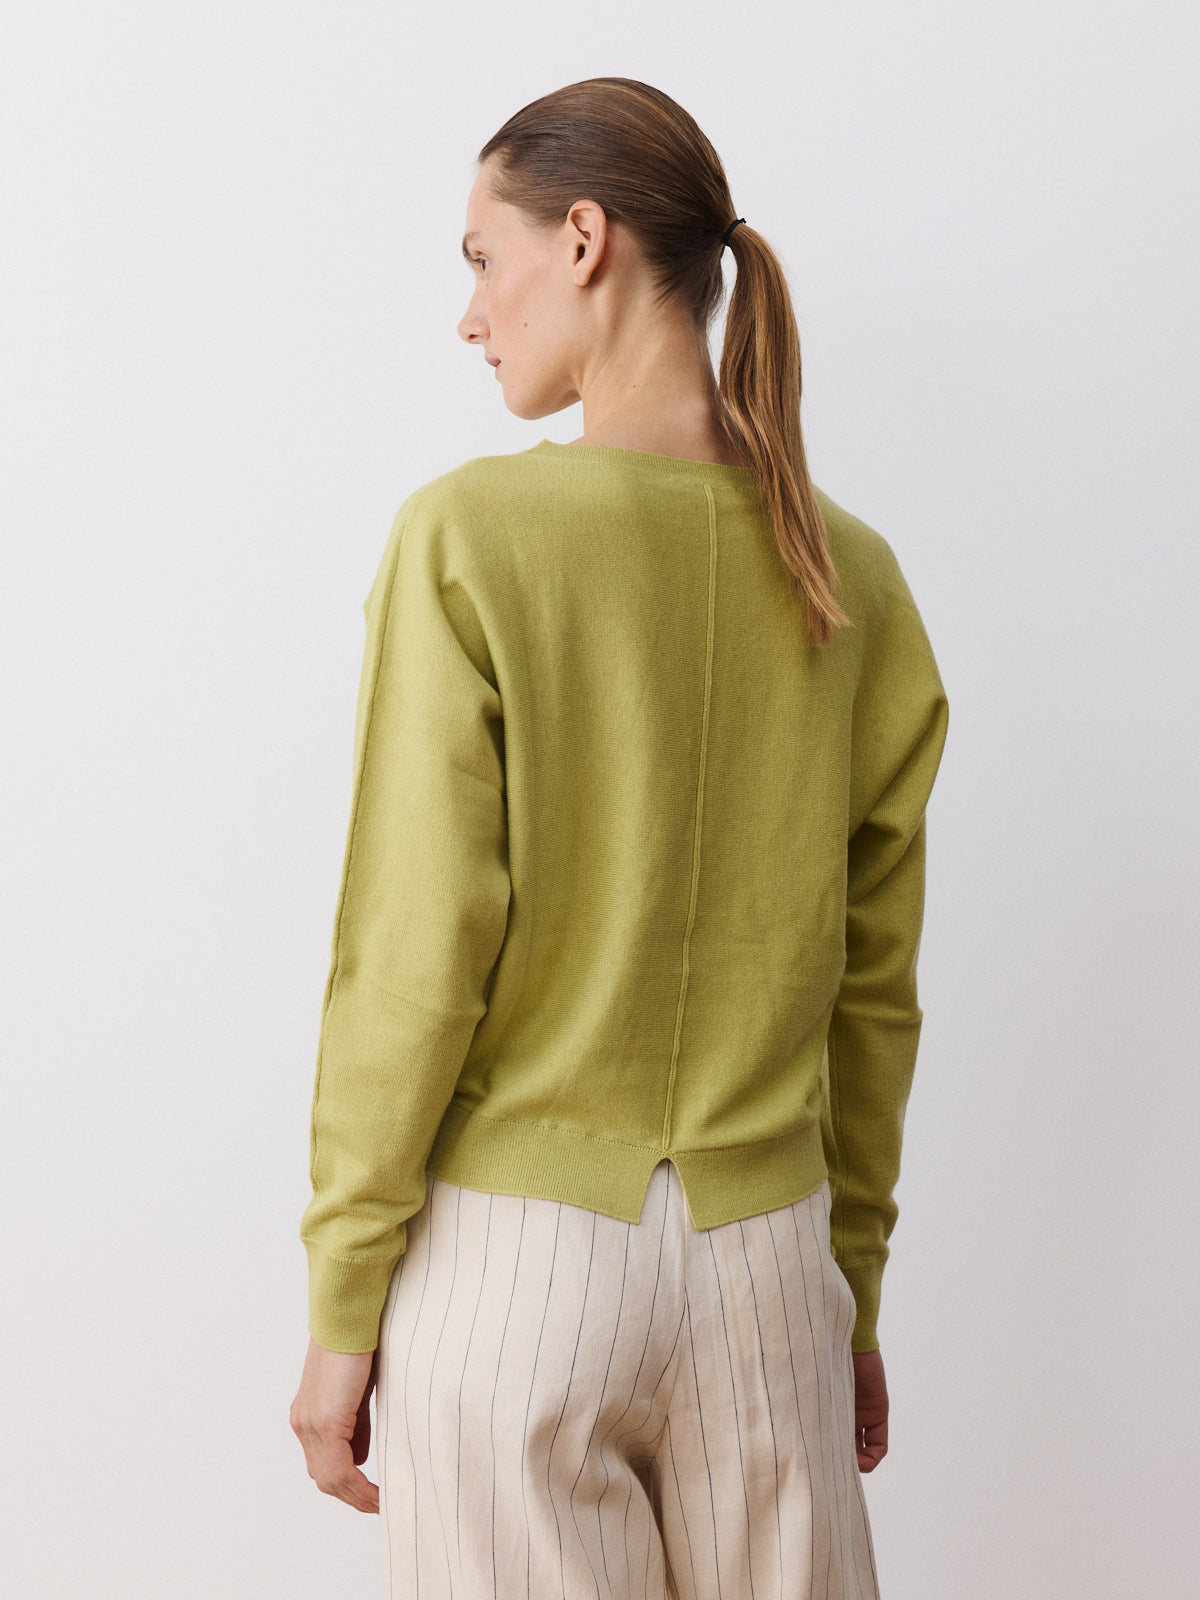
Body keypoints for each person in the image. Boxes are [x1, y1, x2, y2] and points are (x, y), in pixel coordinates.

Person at [289, 76, 949, 1600]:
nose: (470, 315)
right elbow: (875, 992)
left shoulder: (470, 539)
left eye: (481, 258)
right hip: (767, 1268)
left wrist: (342, 1303)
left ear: (582, 239)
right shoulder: (853, 577)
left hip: (517, 1275)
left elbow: (412, 956)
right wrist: (848, 1291)